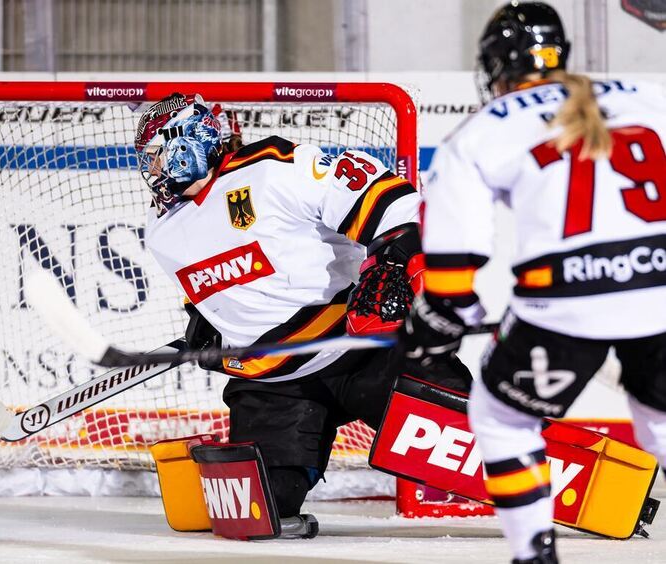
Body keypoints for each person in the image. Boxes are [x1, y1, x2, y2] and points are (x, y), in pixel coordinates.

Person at [398, 2, 666, 563]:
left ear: (496, 63)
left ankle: (533, 555)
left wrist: (441, 318)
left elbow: (453, 260)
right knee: (659, 419)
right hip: (662, 290)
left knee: (503, 417)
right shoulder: (643, 95)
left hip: (565, 304)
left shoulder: (486, 127)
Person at [134, 93, 468, 520]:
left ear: (190, 143)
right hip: (276, 383)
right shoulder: (161, 229)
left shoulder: (274, 170)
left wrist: (392, 264)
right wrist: (210, 325)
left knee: (466, 443)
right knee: (259, 510)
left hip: (361, 350)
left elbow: (390, 200)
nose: (152, 170)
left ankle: (542, 464)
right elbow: (223, 289)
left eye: (158, 156)